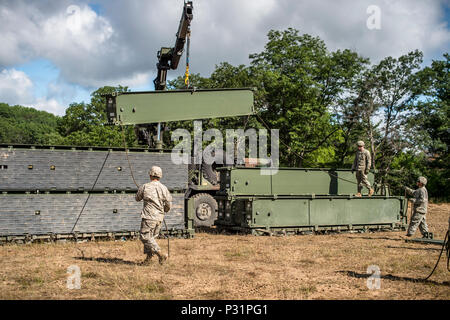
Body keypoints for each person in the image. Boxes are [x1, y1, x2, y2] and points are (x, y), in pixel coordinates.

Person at [135, 166, 172, 265]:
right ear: (160, 176)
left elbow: (137, 198)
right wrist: (164, 210)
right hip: (159, 218)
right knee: (151, 239)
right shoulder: (164, 188)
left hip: (149, 217)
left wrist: (140, 191)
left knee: (145, 237)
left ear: (150, 174)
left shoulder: (145, 186)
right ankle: (148, 261)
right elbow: (168, 203)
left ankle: (161, 254)